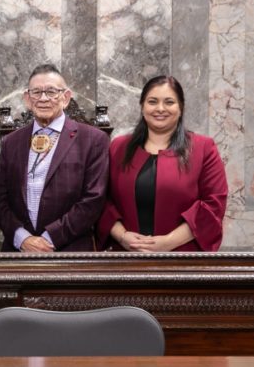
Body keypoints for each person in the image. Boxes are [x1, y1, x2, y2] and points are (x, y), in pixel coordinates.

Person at [97, 76, 228, 251]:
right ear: (142, 106)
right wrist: (122, 237)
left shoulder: (203, 148)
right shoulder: (118, 147)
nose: (160, 109)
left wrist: (167, 243)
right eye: (152, 102)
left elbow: (213, 205)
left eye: (169, 102)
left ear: (181, 107)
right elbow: (101, 200)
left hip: (181, 258)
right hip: (126, 257)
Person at [0, 64, 110, 252]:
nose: (43, 98)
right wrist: (23, 239)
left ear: (66, 97)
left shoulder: (92, 140)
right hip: (18, 254)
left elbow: (93, 199)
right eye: (36, 92)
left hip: (70, 252)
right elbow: (0, 200)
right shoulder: (11, 142)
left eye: (52, 92)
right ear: (27, 99)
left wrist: (50, 239)